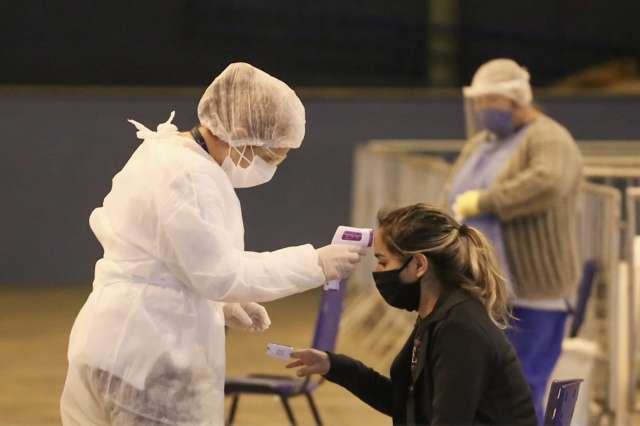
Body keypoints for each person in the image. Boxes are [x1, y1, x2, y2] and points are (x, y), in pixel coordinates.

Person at [60, 62, 365, 426]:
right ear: (240, 133)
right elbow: (219, 274)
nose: (271, 164)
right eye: (273, 153)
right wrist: (314, 263)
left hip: (107, 345)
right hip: (152, 354)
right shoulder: (191, 176)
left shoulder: (163, 153)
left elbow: (176, 260)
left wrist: (218, 306)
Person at [288, 204, 537, 426]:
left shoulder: (460, 330)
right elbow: (403, 402)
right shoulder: (438, 316)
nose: (377, 271)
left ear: (419, 265)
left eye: (383, 262)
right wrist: (333, 365)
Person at [447, 58, 583, 423]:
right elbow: (454, 188)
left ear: (516, 100)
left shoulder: (549, 137)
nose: (481, 110)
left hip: (536, 293)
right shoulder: (483, 142)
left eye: (488, 102)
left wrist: (486, 200)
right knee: (489, 391)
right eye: (477, 102)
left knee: (521, 390)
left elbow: (547, 182)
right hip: (490, 292)